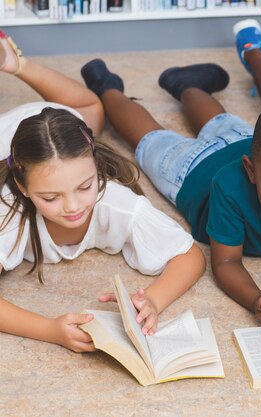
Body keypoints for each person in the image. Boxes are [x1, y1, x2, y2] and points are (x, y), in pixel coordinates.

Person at [81, 19, 261, 331]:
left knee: (220, 121)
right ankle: (108, 89)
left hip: (245, 142)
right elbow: (226, 262)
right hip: (193, 169)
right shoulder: (230, 187)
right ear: (251, 170)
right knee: (149, 139)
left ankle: (187, 84)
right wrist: (256, 299)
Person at [0, 31, 206, 352]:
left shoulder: (114, 199)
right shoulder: (9, 209)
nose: (72, 206)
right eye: (50, 198)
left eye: (85, 186)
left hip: (58, 131)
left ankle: (17, 63)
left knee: (91, 110)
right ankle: (15, 64)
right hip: (11, 137)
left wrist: (153, 298)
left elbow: (189, 255)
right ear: (24, 188)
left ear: (95, 165)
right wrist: (50, 329)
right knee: (89, 111)